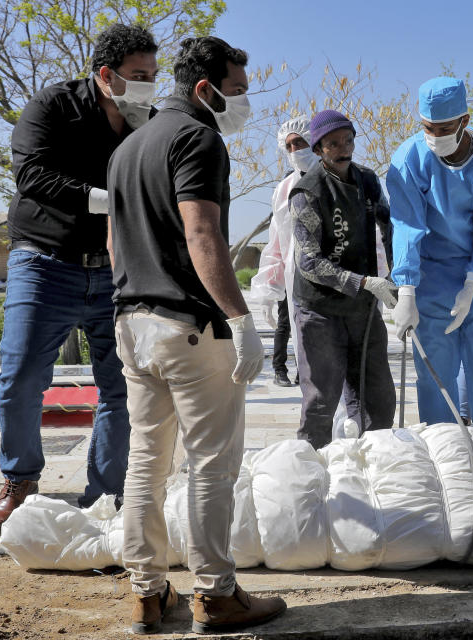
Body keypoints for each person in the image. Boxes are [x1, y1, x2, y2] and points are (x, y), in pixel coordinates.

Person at [107, 36, 285, 634]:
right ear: (205, 90)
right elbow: (202, 235)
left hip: (132, 324)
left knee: (145, 464)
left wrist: (132, 301)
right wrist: (239, 319)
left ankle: (147, 596)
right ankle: (216, 596)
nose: (243, 104)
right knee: (211, 466)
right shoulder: (197, 138)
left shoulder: (127, 148)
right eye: (236, 92)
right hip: (188, 328)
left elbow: (113, 244)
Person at [0, 23, 159, 535]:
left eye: (153, 74)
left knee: (122, 388)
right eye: (138, 75)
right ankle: (20, 481)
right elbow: (32, 175)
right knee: (20, 381)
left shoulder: (146, 121)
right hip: (44, 264)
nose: (148, 84)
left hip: (115, 270)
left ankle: (105, 495)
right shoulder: (52, 106)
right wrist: (106, 200)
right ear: (106, 75)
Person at [388, 77, 473, 425]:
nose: (435, 136)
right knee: (435, 377)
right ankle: (443, 453)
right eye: (428, 127)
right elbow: (407, 226)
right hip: (432, 275)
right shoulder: (408, 159)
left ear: (465, 121)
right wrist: (408, 290)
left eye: (444, 128)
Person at [289, 109, 397, 449]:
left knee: (378, 401)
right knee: (321, 403)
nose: (342, 148)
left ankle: (375, 472)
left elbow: (390, 225)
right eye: (333, 144)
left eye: (348, 140)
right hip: (320, 310)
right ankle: (312, 476)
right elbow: (308, 262)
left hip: (363, 311)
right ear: (319, 149)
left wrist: (398, 275)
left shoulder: (367, 181)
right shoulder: (307, 192)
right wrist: (363, 282)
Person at [250, 116, 315, 387]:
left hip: (335, 280)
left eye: (299, 142)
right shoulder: (284, 189)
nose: (294, 150)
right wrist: (267, 287)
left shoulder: (343, 177)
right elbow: (276, 242)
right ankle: (288, 372)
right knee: (291, 329)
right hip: (295, 279)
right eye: (288, 146)